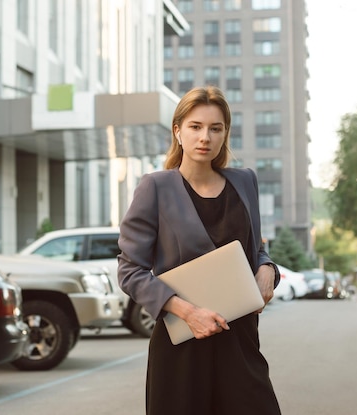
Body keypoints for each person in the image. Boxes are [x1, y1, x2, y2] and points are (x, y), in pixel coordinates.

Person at [117, 85, 282, 415]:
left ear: (225, 134)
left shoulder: (245, 182)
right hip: (183, 343)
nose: (204, 136)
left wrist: (268, 270)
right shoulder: (155, 188)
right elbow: (130, 271)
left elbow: (256, 251)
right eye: (195, 127)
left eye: (215, 128)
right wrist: (189, 312)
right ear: (178, 131)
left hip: (240, 341)